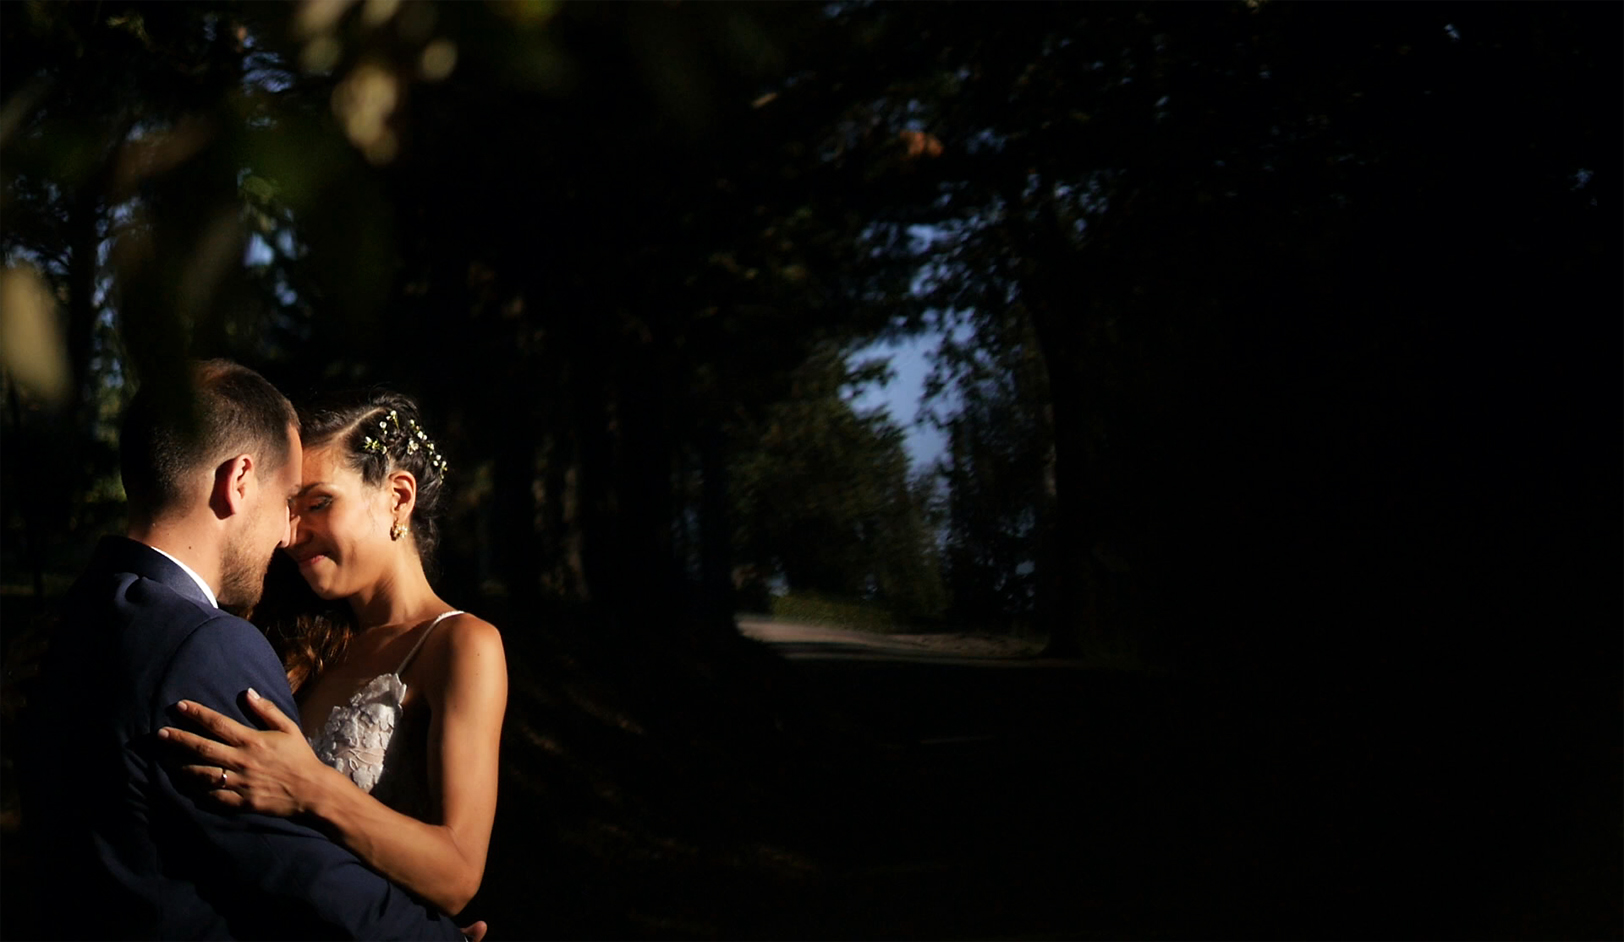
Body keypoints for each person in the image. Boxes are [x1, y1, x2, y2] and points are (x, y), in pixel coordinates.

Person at [22, 360, 467, 940]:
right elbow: (293, 873)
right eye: (288, 499)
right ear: (238, 481)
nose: (288, 535)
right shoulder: (203, 646)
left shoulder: (81, 612)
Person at [156, 390, 507, 923]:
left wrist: (308, 786)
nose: (291, 534)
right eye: (290, 509)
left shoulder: (461, 646)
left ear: (398, 497)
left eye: (318, 504)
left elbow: (458, 875)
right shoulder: (303, 638)